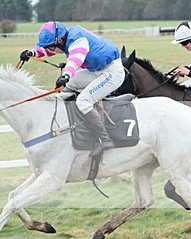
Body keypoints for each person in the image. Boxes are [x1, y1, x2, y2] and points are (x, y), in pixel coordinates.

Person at [19, 21, 125, 156]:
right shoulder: (65, 38)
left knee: (83, 100)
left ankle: (104, 140)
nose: (51, 51)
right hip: (96, 70)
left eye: (52, 48)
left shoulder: (77, 40)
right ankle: (71, 123)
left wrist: (66, 75)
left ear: (60, 40)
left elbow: (74, 60)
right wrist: (31, 52)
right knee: (66, 86)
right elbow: (46, 49)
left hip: (112, 73)